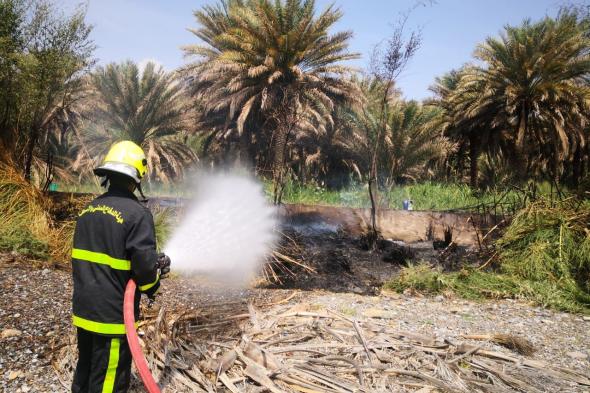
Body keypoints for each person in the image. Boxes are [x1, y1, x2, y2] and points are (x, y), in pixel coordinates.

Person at [71, 141, 171, 393]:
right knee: (109, 381)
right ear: (137, 176)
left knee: (86, 370)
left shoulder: (88, 210)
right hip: (113, 316)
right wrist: (155, 279)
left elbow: (104, 256)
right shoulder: (137, 214)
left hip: (84, 311)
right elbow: (144, 270)